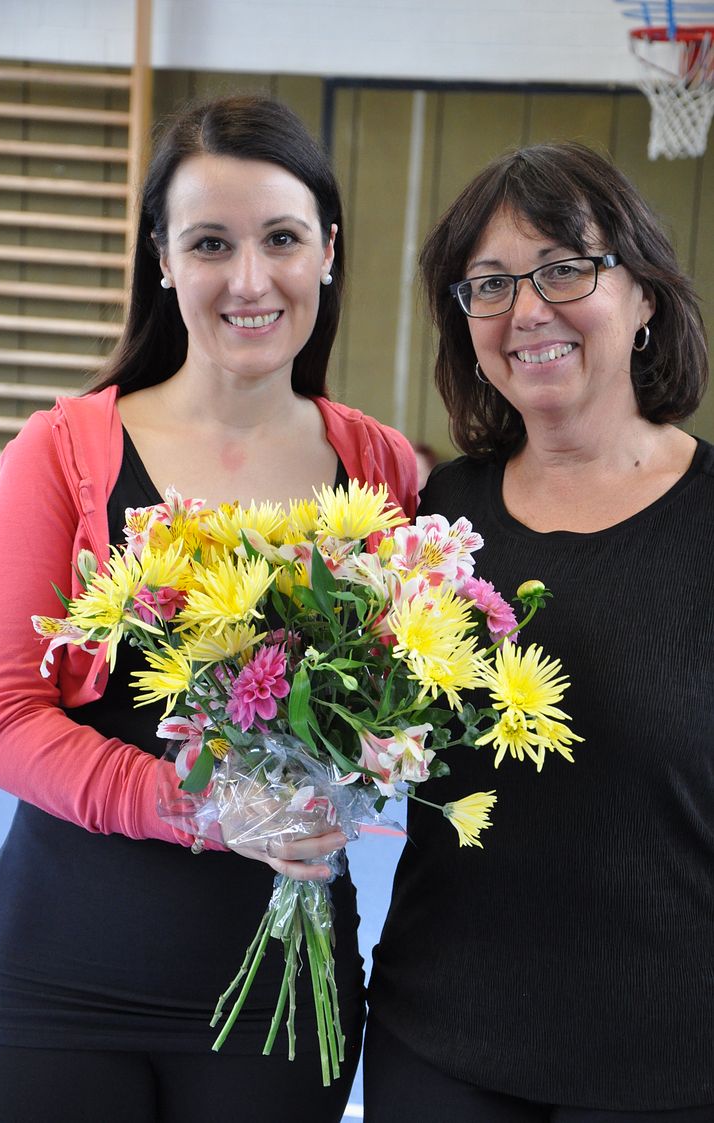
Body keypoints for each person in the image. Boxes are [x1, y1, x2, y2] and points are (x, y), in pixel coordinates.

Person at [0, 94, 418, 1123]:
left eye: (282, 239)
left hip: (279, 999)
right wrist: (208, 809)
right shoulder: (64, 453)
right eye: (210, 242)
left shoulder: (381, 468)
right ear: (162, 260)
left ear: (328, 253)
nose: (249, 279)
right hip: (59, 981)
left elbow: (403, 695)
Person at [364, 142, 713, 1121]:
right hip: (437, 1044)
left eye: (563, 267)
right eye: (487, 284)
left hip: (668, 1066)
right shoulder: (434, 516)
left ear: (643, 295)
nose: (525, 310)